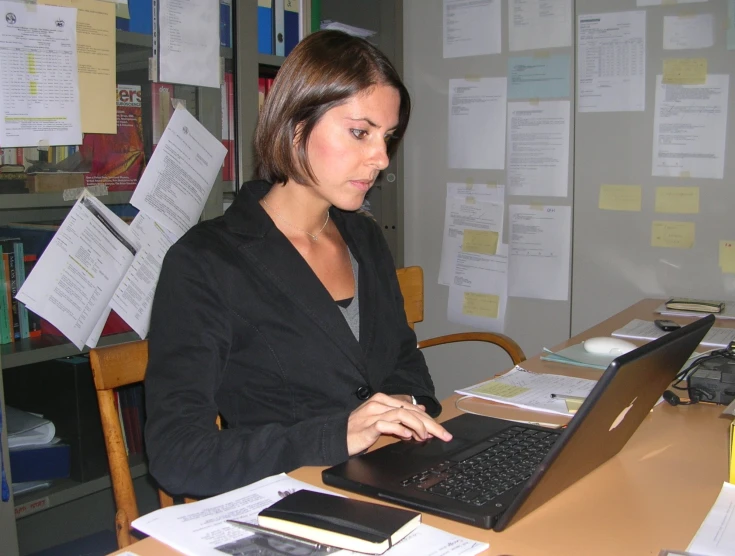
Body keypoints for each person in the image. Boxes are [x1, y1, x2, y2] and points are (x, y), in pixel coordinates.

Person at [144, 30, 452, 498]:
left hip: (388, 476)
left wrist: (401, 408)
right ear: (295, 124)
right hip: (289, 496)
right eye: (359, 132)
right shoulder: (206, 263)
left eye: (387, 137)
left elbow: (404, 361)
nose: (382, 158)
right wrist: (337, 435)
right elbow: (177, 454)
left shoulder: (364, 237)